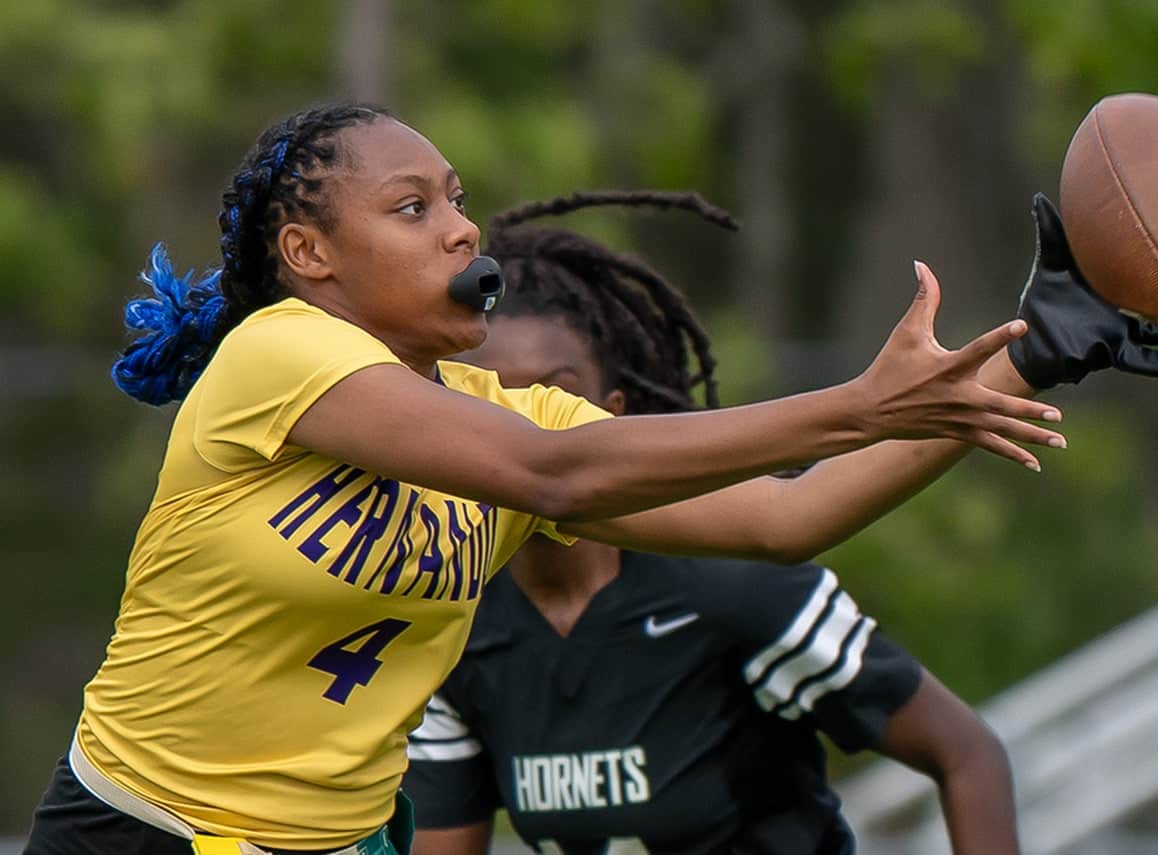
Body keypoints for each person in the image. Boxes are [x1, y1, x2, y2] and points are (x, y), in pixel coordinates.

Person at [21, 102, 1072, 855]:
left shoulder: (507, 421)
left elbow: (789, 517)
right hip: (140, 828)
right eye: (412, 207)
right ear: (308, 252)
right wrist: (854, 403)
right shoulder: (278, 354)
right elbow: (553, 476)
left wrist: (1034, 356)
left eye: (459, 201)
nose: (462, 226)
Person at [400, 191, 1158, 855]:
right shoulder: (445, 617)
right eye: (493, 403)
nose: (526, 427)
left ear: (616, 416)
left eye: (550, 395)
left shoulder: (729, 593)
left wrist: (1029, 352)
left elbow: (964, 749)